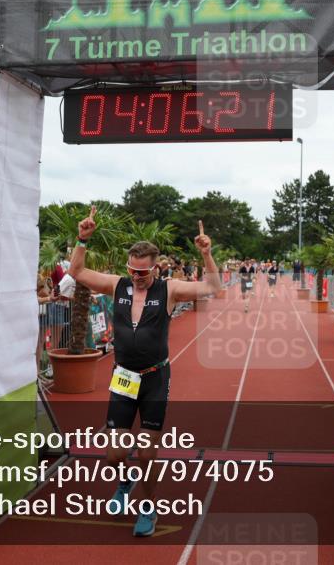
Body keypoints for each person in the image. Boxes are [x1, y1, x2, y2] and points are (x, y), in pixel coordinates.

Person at [68, 206, 221, 537]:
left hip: (154, 378)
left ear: (156, 268)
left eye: (142, 272)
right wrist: (83, 238)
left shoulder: (169, 289)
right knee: (114, 455)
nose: (136, 277)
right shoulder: (117, 285)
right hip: (123, 377)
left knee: (147, 454)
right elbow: (77, 272)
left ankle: (148, 509)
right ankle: (125, 482)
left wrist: (207, 254)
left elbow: (212, 288)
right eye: (132, 271)